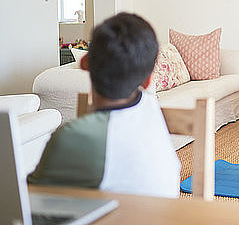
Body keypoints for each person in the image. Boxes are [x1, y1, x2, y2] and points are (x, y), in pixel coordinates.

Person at [28, 13, 181, 198]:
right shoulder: (149, 106)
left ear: (85, 63)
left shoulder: (74, 136)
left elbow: (28, 203)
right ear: (148, 81)